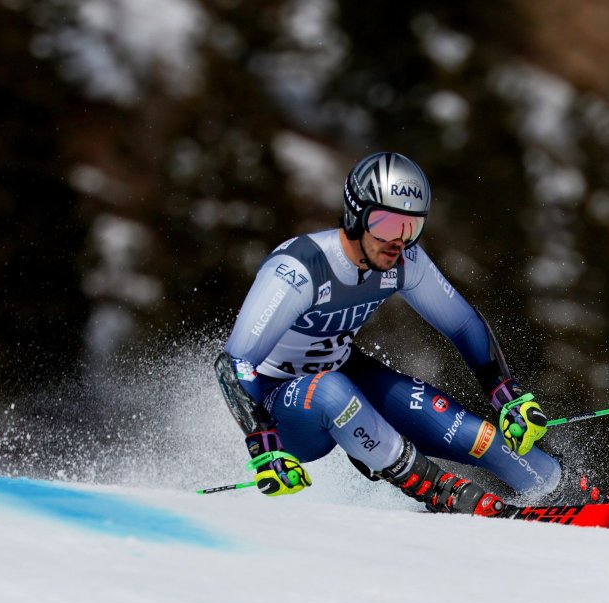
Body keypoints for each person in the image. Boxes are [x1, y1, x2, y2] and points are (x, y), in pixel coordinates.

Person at [214, 151, 563, 516]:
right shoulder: (299, 270)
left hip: (343, 373)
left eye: (410, 228)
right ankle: (441, 491)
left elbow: (461, 324)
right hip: (279, 404)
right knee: (332, 392)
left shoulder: (403, 261)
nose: (397, 240)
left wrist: (506, 395)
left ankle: (562, 489)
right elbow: (234, 363)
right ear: (355, 215)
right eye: (385, 223)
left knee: (462, 429)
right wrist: (263, 443)